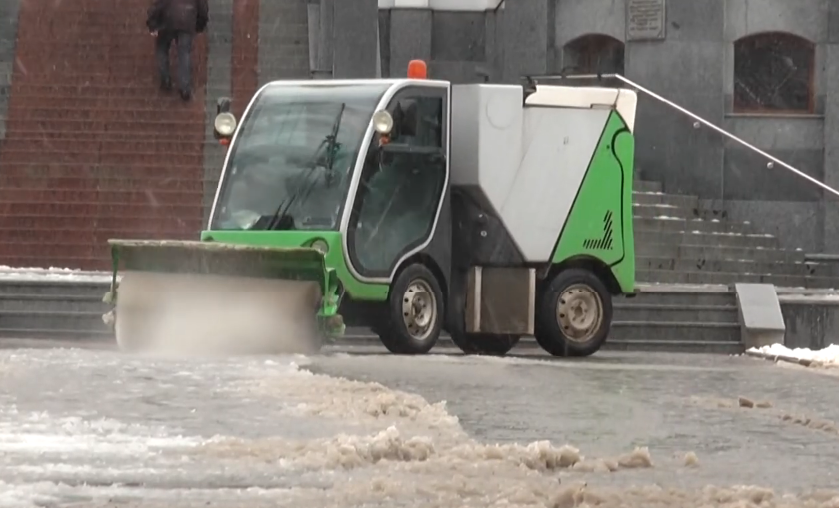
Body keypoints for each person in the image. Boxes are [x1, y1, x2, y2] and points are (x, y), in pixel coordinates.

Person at [146, 0, 209, 101]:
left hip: (167, 20)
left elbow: (157, 5)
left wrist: (152, 24)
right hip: (187, 21)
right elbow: (203, 9)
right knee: (184, 53)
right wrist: (199, 26)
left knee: (162, 48)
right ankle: (185, 88)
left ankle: (165, 79)